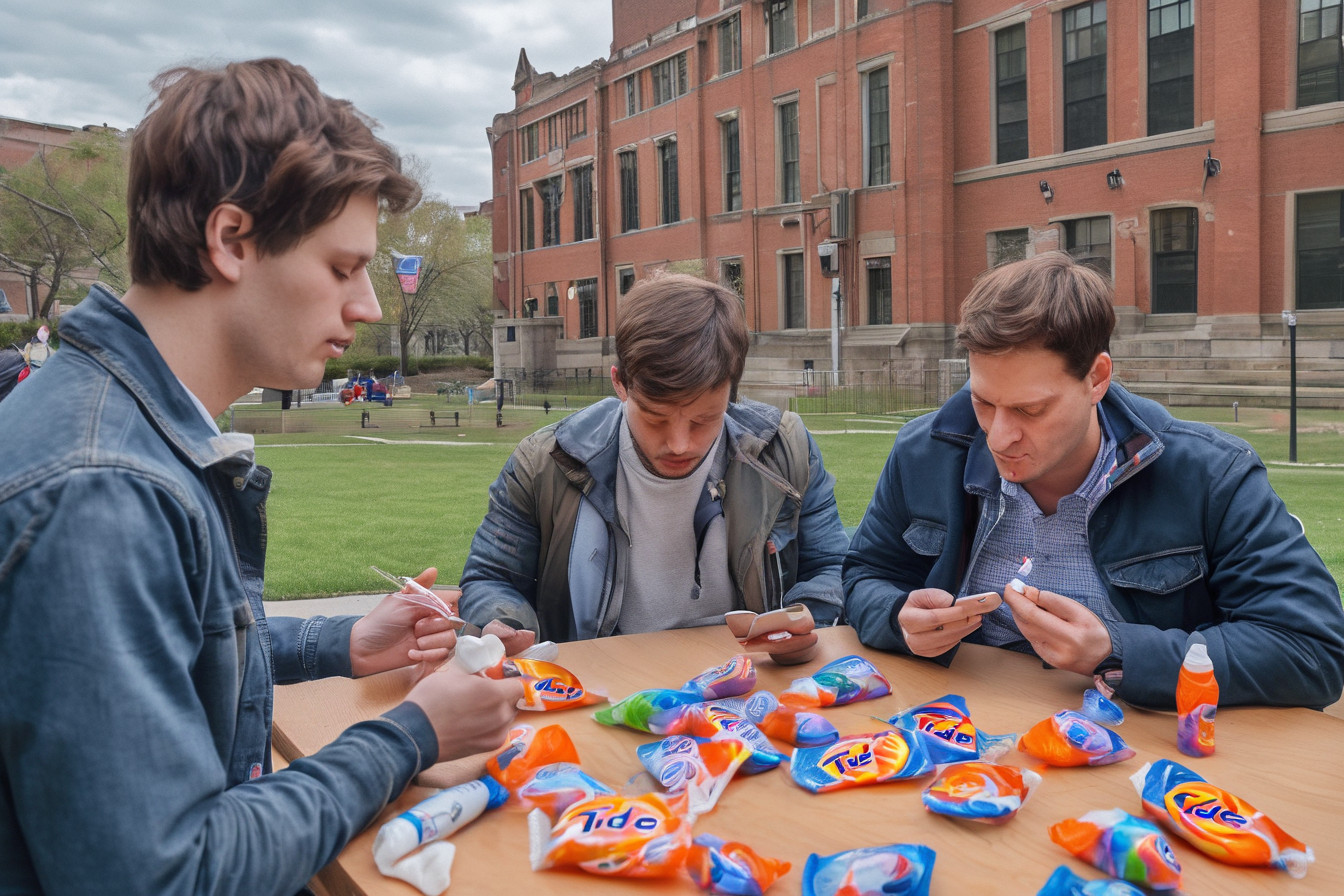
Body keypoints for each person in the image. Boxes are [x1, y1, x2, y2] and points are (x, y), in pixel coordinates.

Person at [0, 59, 524, 895]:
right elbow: (167, 875)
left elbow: (163, 654)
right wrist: (412, 733)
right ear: (232, 240)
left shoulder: (128, 429)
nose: (370, 307)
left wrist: (343, 643)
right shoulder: (104, 489)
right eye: (343, 267)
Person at [843, 251, 1344, 710]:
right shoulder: (923, 453)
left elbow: (1311, 651)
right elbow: (864, 572)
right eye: (983, 401)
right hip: (953, 735)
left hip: (1143, 753)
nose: (998, 436)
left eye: (1030, 409)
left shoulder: (1212, 473)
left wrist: (1117, 649)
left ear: (1097, 378)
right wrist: (897, 618)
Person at [459, 273, 850, 663]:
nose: (681, 444)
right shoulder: (546, 462)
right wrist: (500, 624)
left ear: (732, 390)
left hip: (749, 686)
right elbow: (492, 578)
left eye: (704, 419)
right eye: (656, 418)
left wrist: (807, 616)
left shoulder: (783, 449)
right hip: (600, 689)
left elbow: (832, 564)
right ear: (620, 383)